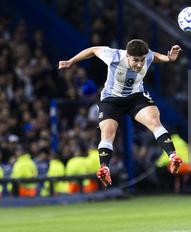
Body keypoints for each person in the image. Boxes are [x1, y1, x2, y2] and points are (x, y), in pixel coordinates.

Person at [59, 39, 184, 186]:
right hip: (112, 99)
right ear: (127, 56)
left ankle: (173, 156)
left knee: (154, 121)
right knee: (107, 132)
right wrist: (70, 62)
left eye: (142, 60)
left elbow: (153, 56)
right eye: (135, 60)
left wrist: (168, 58)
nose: (139, 64)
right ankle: (104, 168)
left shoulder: (147, 56)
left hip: (136, 97)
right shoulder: (113, 56)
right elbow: (92, 50)